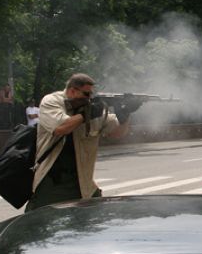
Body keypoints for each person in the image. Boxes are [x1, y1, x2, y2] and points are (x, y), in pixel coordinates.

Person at [26, 73, 136, 211]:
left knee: (93, 223)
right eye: (86, 94)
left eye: (91, 94)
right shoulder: (52, 101)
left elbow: (117, 133)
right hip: (53, 181)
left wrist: (125, 115)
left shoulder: (92, 108)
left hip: (83, 182)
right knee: (43, 223)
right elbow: (60, 127)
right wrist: (86, 115)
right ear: (72, 91)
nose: (89, 98)